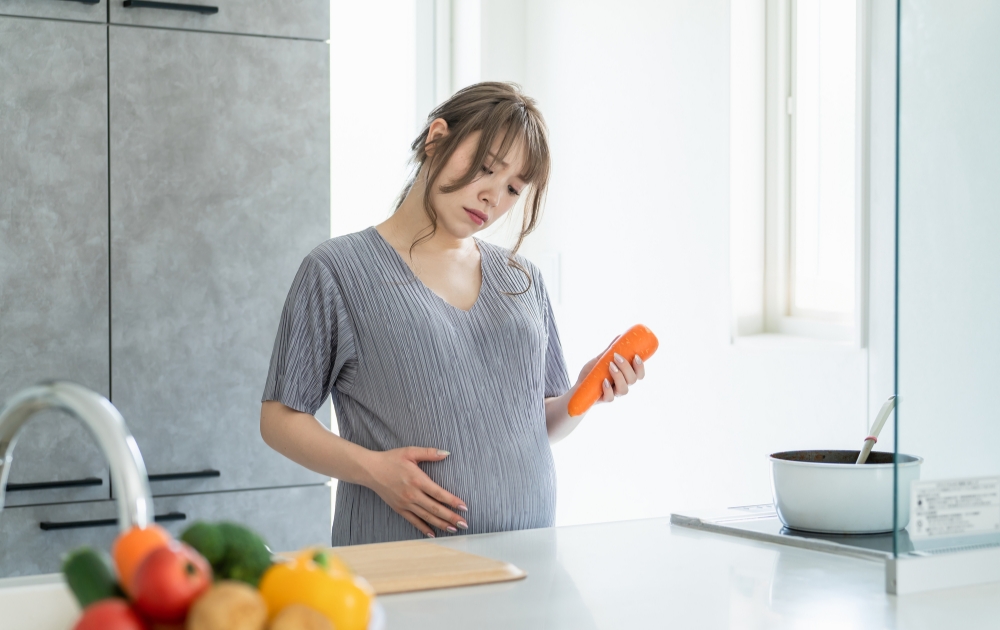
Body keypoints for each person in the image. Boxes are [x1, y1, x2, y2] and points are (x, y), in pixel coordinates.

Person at [260, 82, 646, 546]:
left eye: (512, 188)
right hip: (400, 563)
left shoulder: (524, 279)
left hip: (530, 558)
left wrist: (585, 392)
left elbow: (538, 425)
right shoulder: (336, 270)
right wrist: (375, 470)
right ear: (436, 138)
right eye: (486, 168)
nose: (493, 197)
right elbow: (280, 419)